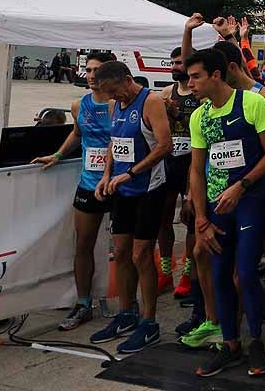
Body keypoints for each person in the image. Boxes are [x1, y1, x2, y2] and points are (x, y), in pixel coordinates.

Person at [183, 48, 265, 376]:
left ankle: (256, 341)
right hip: (216, 205)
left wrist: (242, 186)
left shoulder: (252, 103)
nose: (190, 83)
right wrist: (201, 218)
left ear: (216, 74)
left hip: (250, 199)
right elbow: (197, 171)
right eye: (188, 77)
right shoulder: (200, 116)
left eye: (196, 76)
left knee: (247, 272)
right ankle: (230, 344)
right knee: (219, 272)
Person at [89, 60, 173, 353]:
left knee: (141, 255)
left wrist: (132, 172)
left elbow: (165, 145)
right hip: (122, 188)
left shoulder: (151, 101)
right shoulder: (116, 105)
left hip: (148, 188)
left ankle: (149, 323)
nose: (114, 98)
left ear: (127, 80)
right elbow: (115, 142)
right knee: (121, 252)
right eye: (108, 94)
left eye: (115, 91)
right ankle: (127, 313)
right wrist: (107, 174)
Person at [31, 50, 116, 330]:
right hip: (89, 183)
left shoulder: (120, 104)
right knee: (83, 244)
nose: (92, 76)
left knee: (129, 251)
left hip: (120, 183)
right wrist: (57, 155)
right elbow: (78, 134)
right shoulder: (79, 105)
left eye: (98, 71)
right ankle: (83, 304)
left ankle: (130, 308)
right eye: (89, 70)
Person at [159, 47, 200, 298]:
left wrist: (176, 115)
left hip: (191, 162)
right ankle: (165, 269)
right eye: (172, 63)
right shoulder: (166, 92)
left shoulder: (199, 94)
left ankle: (187, 271)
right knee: (163, 218)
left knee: (190, 220)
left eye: (179, 63)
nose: (175, 67)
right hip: (169, 161)